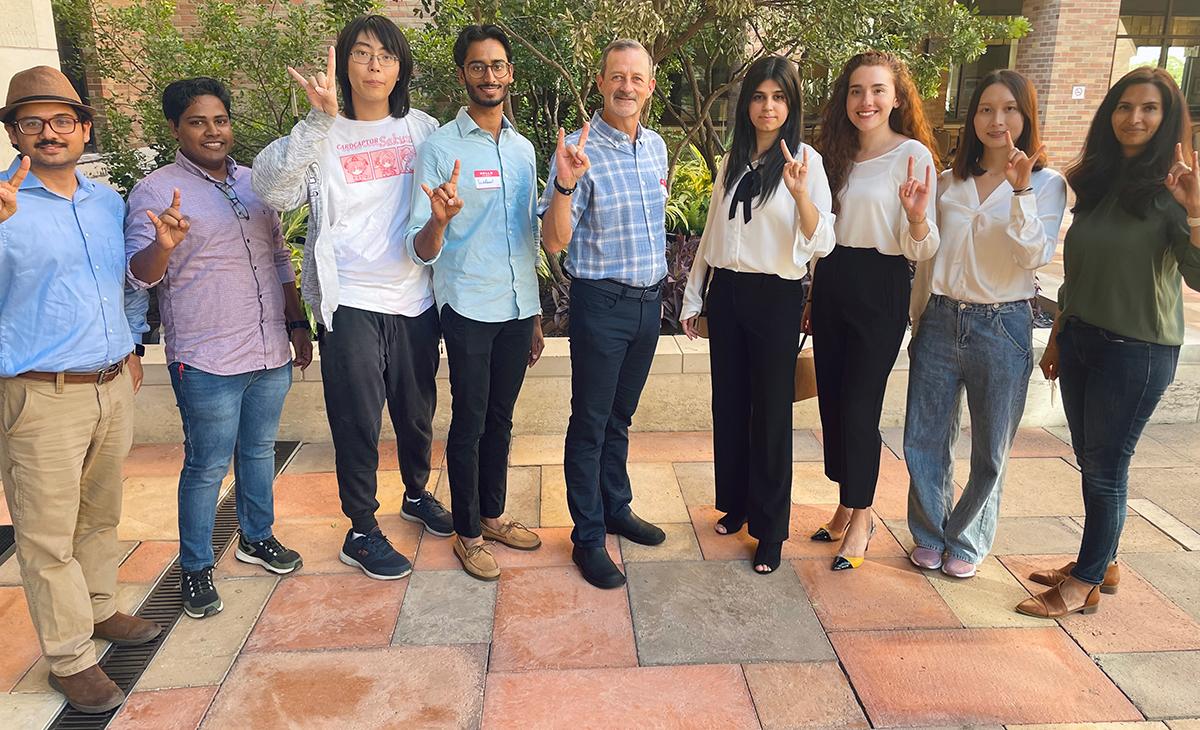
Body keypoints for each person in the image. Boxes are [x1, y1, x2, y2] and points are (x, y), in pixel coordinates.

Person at [0, 66, 177, 713]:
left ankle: (101, 610)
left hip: (109, 383)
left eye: (62, 120)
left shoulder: (107, 202)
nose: (49, 132)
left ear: (84, 128)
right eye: (32, 121)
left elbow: (128, 282)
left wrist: (131, 343)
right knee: (46, 535)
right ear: (15, 133)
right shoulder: (2, 204)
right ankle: (69, 657)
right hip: (37, 394)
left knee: (99, 515)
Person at [253, 14, 453, 581]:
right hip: (350, 301)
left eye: (385, 56)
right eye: (361, 53)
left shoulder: (423, 128)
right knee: (358, 419)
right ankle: (360, 528)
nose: (373, 65)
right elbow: (273, 190)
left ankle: (416, 494)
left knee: (417, 414)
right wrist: (317, 122)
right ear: (344, 64)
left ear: (400, 68)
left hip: (414, 296)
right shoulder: (324, 132)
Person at [126, 77, 313, 619]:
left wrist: (296, 321)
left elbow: (280, 256)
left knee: (259, 452)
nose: (212, 131)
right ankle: (195, 565)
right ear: (175, 129)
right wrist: (163, 246)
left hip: (268, 348)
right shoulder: (156, 191)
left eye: (220, 120)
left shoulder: (257, 183)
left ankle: (257, 537)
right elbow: (138, 277)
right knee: (206, 465)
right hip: (205, 356)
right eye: (197, 122)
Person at [1017, 67, 1200, 617]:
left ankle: (1087, 581)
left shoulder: (1176, 188)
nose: (1135, 117)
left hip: (1138, 349)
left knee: (1105, 467)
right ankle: (1105, 560)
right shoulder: (1099, 183)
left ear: (1168, 119)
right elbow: (1081, 271)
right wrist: (1058, 338)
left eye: (1149, 108)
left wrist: (1194, 211)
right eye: (1125, 106)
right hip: (1082, 340)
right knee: (1093, 459)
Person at [904, 69, 1067, 579]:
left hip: (1003, 324)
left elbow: (1033, 256)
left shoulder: (1046, 183)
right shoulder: (950, 181)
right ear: (972, 117)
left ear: (1027, 115)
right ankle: (930, 532)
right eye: (986, 110)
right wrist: (914, 218)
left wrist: (1019, 194)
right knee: (924, 437)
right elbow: (924, 251)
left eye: (1009, 109)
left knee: (991, 445)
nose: (997, 121)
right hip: (940, 316)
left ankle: (967, 540)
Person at [680, 56, 836, 574]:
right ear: (746, 103)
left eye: (778, 98)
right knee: (729, 403)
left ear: (791, 106)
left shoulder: (805, 161)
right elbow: (713, 236)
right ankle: (738, 502)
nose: (767, 107)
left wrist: (798, 194)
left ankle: (770, 530)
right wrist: (694, 296)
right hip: (727, 294)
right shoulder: (733, 158)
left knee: (770, 413)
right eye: (759, 96)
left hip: (775, 296)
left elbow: (823, 242)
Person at [407, 25, 545, 581]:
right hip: (466, 306)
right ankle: (466, 531)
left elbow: (527, 238)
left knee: (502, 419)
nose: (490, 76)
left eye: (498, 66)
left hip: (516, 307)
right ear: (463, 74)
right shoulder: (440, 148)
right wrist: (439, 221)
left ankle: (492, 513)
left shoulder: (523, 148)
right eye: (478, 66)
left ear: (510, 73)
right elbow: (420, 246)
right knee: (470, 420)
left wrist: (533, 313)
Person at [539, 38, 669, 589]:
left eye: (637, 78)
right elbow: (553, 240)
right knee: (590, 424)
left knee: (620, 419)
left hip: (648, 304)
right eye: (617, 77)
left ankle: (616, 506)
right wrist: (568, 181)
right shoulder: (575, 150)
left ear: (650, 86)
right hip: (602, 305)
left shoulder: (658, 146)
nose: (626, 87)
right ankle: (587, 537)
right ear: (600, 83)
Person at [808, 50, 940, 571]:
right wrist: (814, 291)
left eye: (878, 90)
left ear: (897, 97)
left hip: (881, 286)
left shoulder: (913, 156)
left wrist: (914, 219)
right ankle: (845, 501)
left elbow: (924, 250)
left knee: (861, 406)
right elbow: (820, 231)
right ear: (845, 99)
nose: (867, 101)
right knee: (834, 405)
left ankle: (862, 516)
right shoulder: (831, 154)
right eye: (857, 91)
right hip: (833, 280)